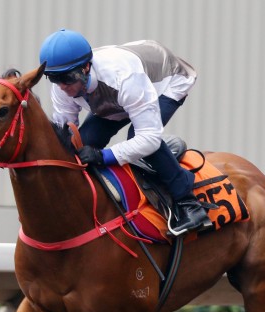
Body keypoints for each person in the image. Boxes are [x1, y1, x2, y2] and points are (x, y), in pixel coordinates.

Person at [38, 28, 210, 236]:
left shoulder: (125, 78)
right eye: (54, 78)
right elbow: (65, 133)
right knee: (84, 142)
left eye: (66, 78)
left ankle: (189, 204)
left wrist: (104, 156)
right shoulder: (62, 86)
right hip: (116, 96)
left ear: (85, 68)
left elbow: (148, 138)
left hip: (165, 82)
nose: (62, 86)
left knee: (140, 141)